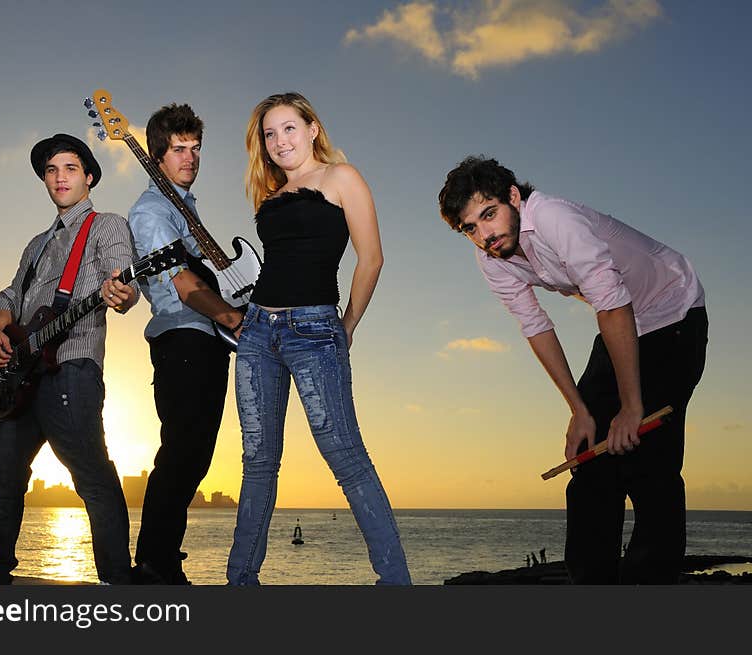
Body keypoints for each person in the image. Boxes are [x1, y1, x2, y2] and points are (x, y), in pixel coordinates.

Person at [438, 156, 707, 584]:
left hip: (673, 312)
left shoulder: (553, 217)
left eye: (488, 215)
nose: (483, 234)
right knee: (588, 464)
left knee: (649, 462)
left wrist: (633, 407)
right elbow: (537, 327)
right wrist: (579, 409)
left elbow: (612, 305)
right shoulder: (492, 259)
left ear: (513, 197)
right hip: (622, 321)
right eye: (469, 227)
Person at [226, 92, 411, 585]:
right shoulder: (268, 195)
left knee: (345, 455)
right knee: (258, 461)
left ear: (312, 128)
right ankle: (239, 583)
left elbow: (371, 259)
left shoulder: (341, 178)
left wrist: (346, 325)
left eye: (288, 128)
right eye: (269, 133)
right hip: (257, 332)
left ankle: (396, 585)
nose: (279, 140)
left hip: (315, 330)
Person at [0, 133, 138, 585]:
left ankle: (117, 583)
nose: (60, 178)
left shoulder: (108, 225)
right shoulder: (36, 244)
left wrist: (123, 292)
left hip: (73, 368)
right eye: (51, 170)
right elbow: (11, 294)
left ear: (89, 177)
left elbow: (125, 281)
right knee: (1, 474)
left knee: (92, 476)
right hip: (19, 377)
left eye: (70, 169)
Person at [128, 103, 244, 585]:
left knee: (195, 456)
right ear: (158, 156)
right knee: (180, 453)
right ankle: (154, 564)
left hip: (208, 337)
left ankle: (164, 556)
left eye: (196, 149)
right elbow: (179, 283)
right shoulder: (152, 210)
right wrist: (231, 317)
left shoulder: (184, 206)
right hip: (183, 337)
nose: (191, 158)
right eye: (179, 149)